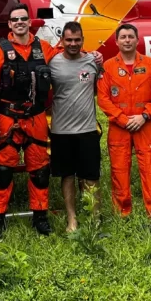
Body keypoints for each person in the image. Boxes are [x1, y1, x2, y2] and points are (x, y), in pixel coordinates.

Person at [0, 4, 60, 236]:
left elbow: (67, 57)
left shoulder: (44, 48)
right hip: (8, 117)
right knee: (4, 170)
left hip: (35, 117)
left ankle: (40, 216)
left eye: (23, 19)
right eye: (15, 20)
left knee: (40, 169)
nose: (20, 23)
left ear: (29, 21)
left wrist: (90, 55)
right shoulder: (0, 52)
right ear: (9, 24)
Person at [97, 23, 151, 226]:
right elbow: (103, 99)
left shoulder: (150, 64)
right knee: (119, 172)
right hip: (119, 128)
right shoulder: (108, 67)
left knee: (150, 171)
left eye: (130, 37)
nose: (127, 40)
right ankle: (122, 216)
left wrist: (144, 117)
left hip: (144, 126)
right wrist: (122, 119)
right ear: (116, 41)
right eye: (123, 37)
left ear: (137, 40)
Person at [48, 21, 102, 233]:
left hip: (88, 129)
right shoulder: (52, 63)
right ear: (62, 41)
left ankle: (94, 218)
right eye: (69, 40)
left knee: (91, 176)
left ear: (83, 40)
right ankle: (72, 219)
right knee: (67, 175)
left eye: (77, 40)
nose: (73, 44)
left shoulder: (92, 60)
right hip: (61, 131)